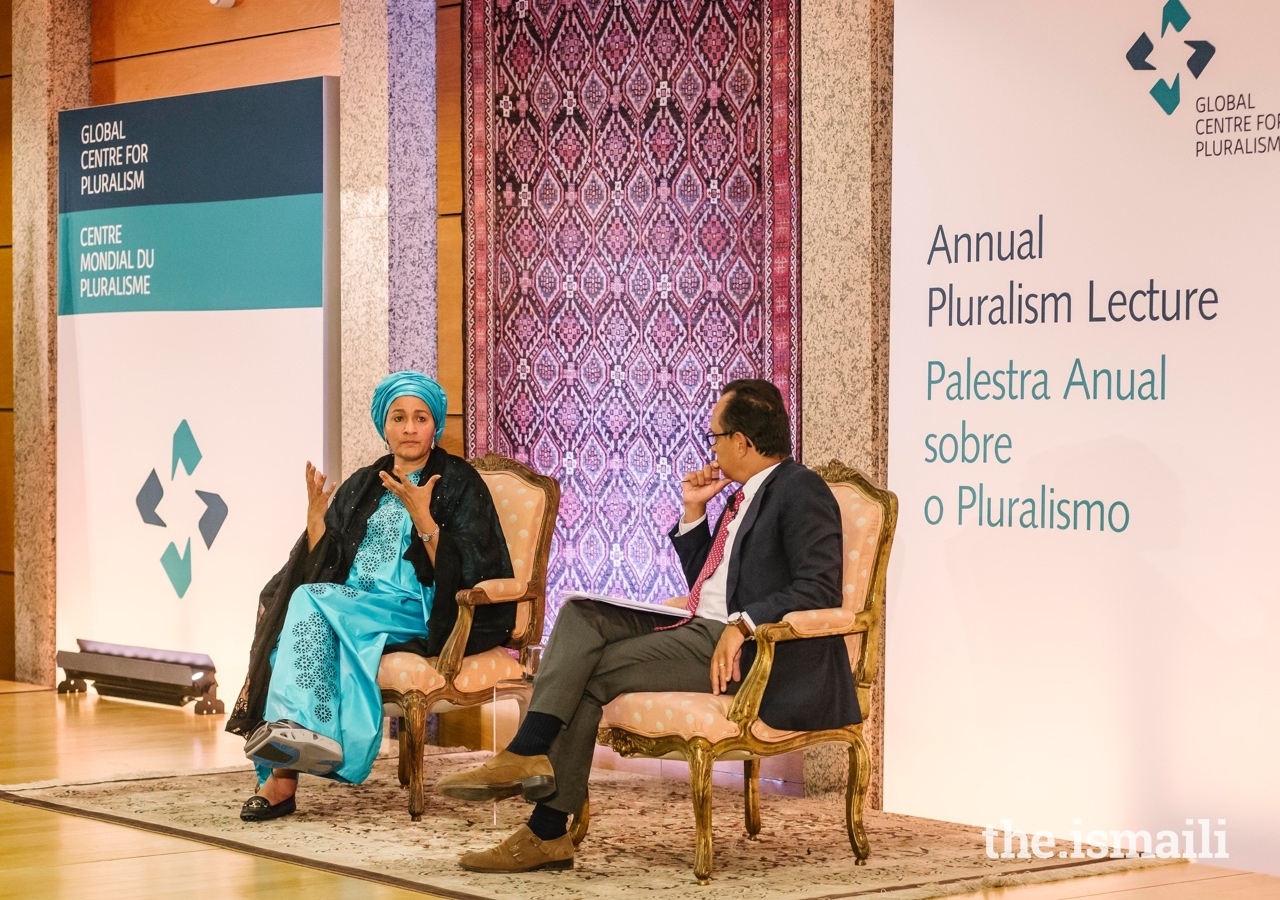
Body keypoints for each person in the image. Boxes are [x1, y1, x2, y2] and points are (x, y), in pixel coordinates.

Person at [439, 379, 860, 872]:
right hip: (699, 625)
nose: (712, 447)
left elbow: (819, 588)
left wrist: (743, 624)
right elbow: (714, 580)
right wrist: (693, 512)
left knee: (590, 673)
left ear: (743, 441)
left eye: (716, 437)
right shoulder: (742, 495)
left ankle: (546, 826)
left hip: (754, 654)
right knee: (579, 614)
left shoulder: (799, 489)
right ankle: (528, 757)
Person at [226, 371, 515, 822]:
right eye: (399, 418)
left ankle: (295, 747)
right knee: (287, 621)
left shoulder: (457, 482)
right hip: (352, 603)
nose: (410, 428)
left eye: (420, 418)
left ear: (435, 425)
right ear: (384, 426)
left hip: (417, 607)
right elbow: (328, 559)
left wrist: (425, 521)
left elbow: (474, 567)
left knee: (306, 599)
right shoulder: (365, 483)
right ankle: (285, 773)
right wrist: (316, 520)